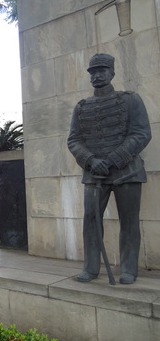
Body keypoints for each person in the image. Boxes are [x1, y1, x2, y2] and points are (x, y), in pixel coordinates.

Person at [68, 53, 151, 284]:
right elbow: (74, 140)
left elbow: (141, 133)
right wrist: (91, 160)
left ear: (112, 73)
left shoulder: (130, 100)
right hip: (94, 174)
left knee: (129, 222)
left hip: (127, 171)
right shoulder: (82, 107)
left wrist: (114, 159)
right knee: (91, 221)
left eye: (102, 71)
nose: (97, 75)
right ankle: (91, 268)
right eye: (93, 72)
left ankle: (128, 269)